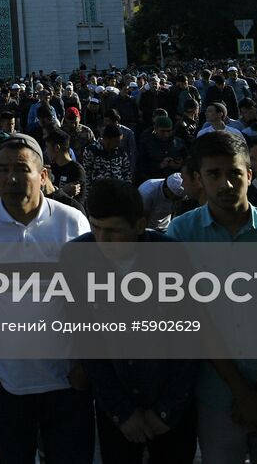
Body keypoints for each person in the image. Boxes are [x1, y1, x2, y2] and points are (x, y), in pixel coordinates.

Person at [165, 132, 257, 464]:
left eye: (235, 174)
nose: (226, 184)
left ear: (250, 176)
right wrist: (243, 393)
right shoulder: (180, 235)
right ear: (198, 179)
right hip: (217, 396)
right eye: (214, 174)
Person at [0, 134, 93, 464]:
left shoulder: (71, 222)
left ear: (44, 175)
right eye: (2, 170)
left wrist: (81, 366)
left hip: (66, 386)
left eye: (21, 169)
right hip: (6, 387)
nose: (10, 178)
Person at [75, 178, 198, 463]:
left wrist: (166, 411)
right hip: (115, 408)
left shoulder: (172, 256)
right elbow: (87, 339)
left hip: (172, 405)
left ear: (140, 225)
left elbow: (188, 338)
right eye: (96, 228)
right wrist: (121, 411)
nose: (102, 240)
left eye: (114, 231)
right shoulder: (77, 256)